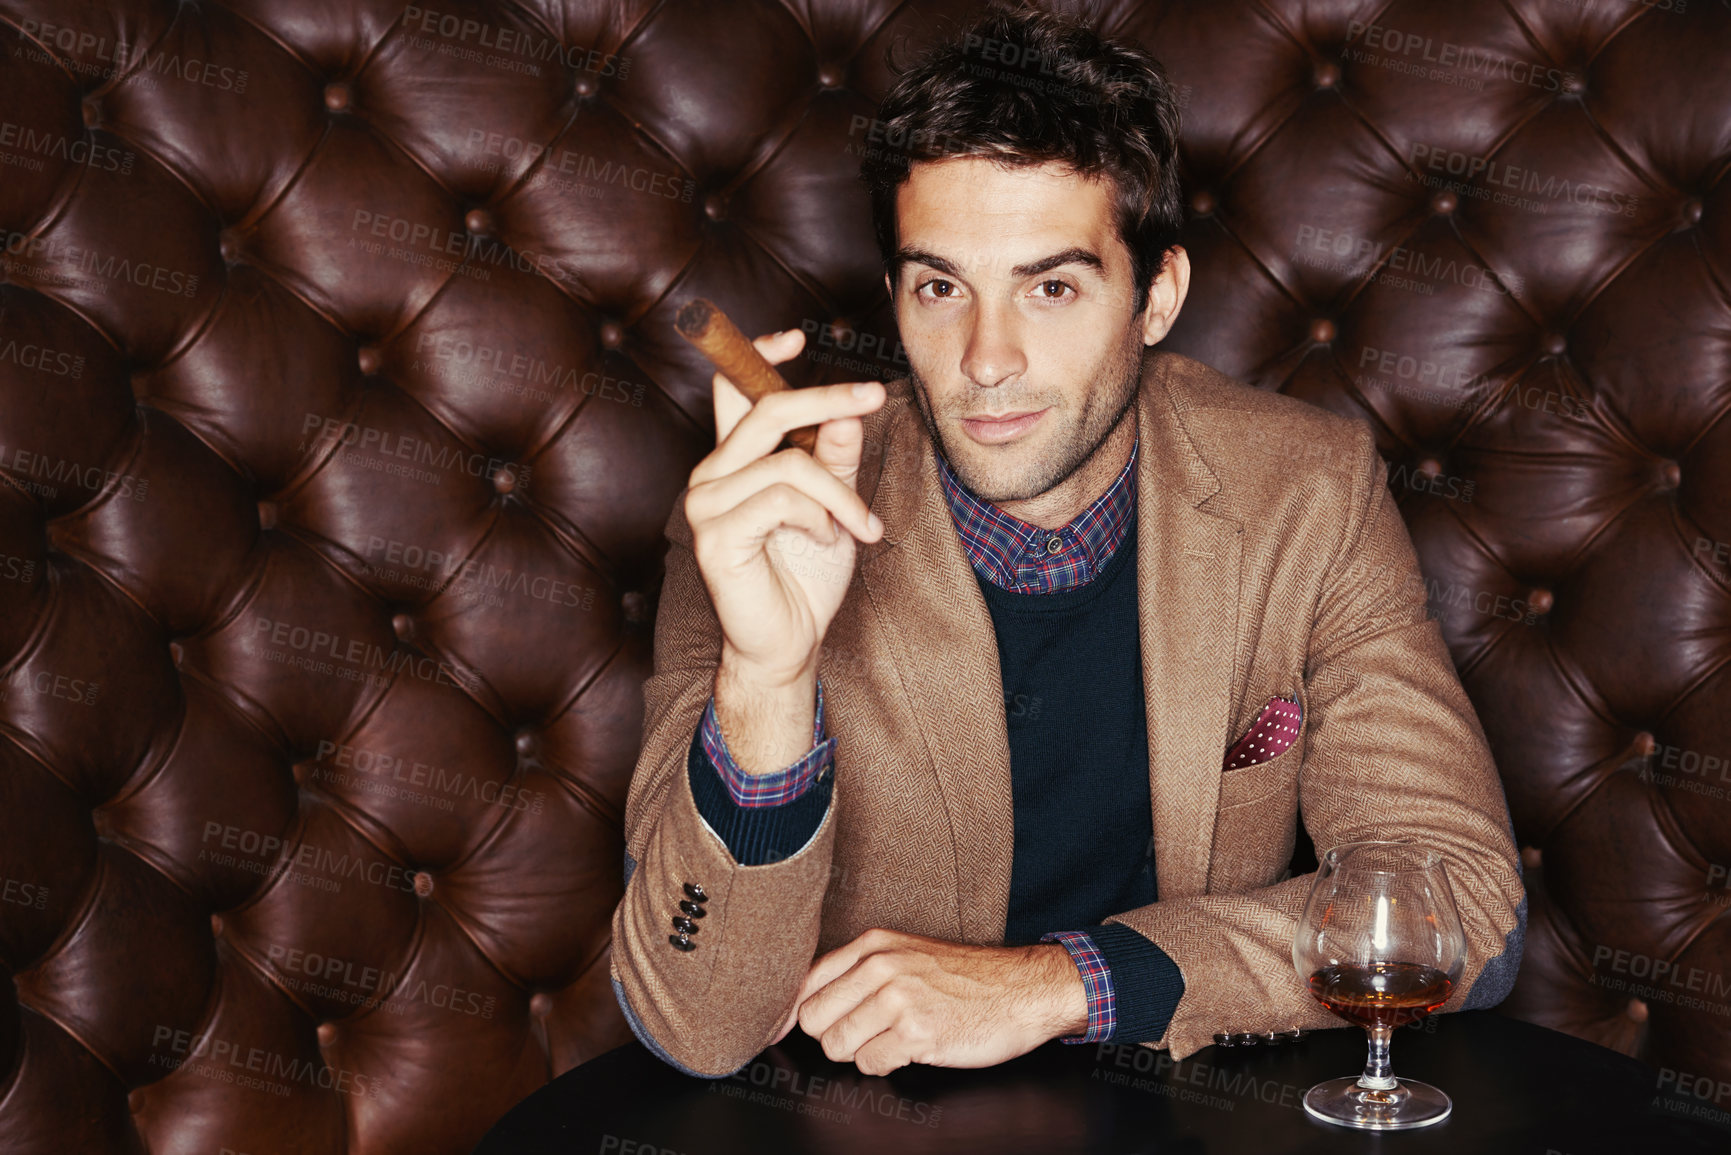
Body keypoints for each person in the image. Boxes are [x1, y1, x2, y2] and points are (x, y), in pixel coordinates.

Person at [610, 3, 1525, 1078]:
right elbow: (693, 1023)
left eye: (1050, 287)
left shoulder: (1306, 492)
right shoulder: (764, 512)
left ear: (1157, 295)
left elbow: (1462, 911)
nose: (986, 357)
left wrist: (1060, 984)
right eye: (940, 286)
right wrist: (770, 677)